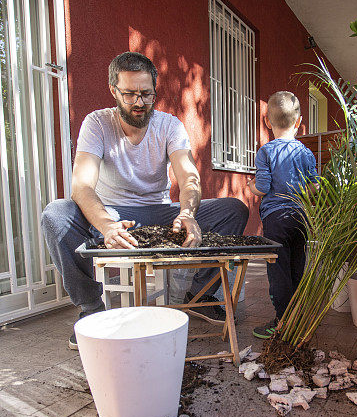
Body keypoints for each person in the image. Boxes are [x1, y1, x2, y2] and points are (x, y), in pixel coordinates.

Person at [41, 51, 248, 349]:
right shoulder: (96, 123)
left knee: (233, 209)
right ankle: (90, 309)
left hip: (160, 212)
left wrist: (188, 213)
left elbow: (189, 176)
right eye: (129, 94)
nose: (139, 103)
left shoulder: (169, 125)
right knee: (55, 215)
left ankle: (200, 293)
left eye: (146, 94)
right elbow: (82, 186)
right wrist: (107, 226)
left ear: (154, 91)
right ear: (113, 90)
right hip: (112, 214)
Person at [247, 91, 317, 339]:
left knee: (278, 271)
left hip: (275, 220)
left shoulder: (265, 152)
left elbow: (263, 187)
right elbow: (314, 187)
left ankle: (282, 322)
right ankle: (299, 317)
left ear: (267, 122)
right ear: (299, 122)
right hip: (301, 217)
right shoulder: (306, 153)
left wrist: (250, 186)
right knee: (298, 267)